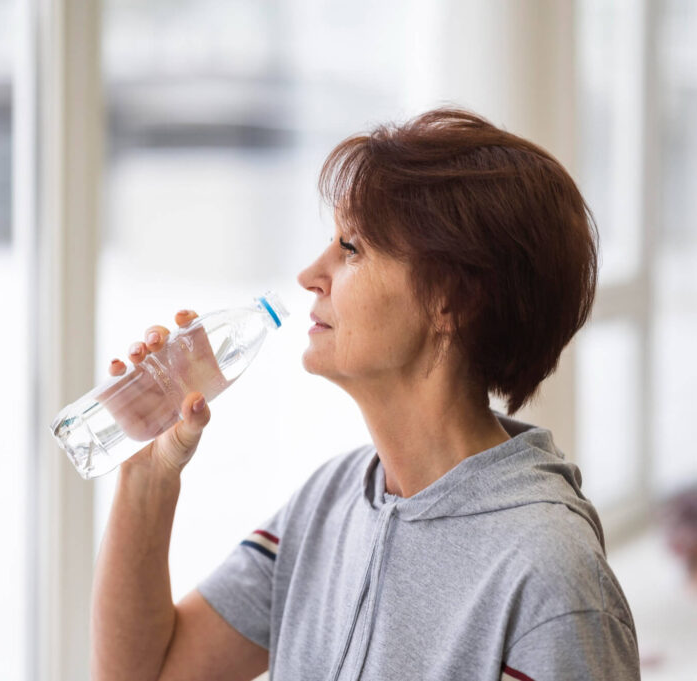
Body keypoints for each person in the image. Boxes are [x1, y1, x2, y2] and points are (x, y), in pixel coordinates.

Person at [91, 108, 640, 681]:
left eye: (350, 247)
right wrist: (148, 475)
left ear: (452, 300)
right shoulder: (328, 503)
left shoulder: (550, 576)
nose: (309, 273)